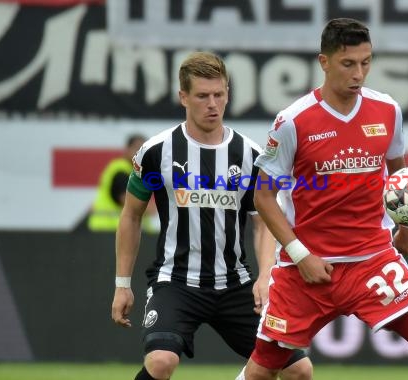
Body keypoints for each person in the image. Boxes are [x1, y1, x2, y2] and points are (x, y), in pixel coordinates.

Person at [238, 18, 408, 380]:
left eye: (366, 62)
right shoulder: (293, 121)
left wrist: (404, 224)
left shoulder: (387, 111)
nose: (359, 73)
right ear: (324, 62)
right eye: (348, 63)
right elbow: (263, 197)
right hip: (307, 270)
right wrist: (302, 256)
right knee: (262, 372)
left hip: (373, 261)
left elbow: (399, 175)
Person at [110, 52, 312, 380]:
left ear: (228, 94)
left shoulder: (250, 155)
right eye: (202, 96)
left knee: (299, 371)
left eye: (219, 95)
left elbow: (263, 223)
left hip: (235, 284)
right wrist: (122, 284)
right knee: (161, 362)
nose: (212, 104)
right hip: (175, 281)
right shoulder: (157, 153)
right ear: (183, 97)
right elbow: (131, 216)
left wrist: (265, 277)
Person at [88, 134, 157, 233]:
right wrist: (151, 208)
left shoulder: (138, 173)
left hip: (122, 232)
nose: (141, 153)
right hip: (109, 230)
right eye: (137, 148)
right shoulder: (120, 170)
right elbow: (129, 201)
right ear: (127, 150)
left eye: (145, 149)